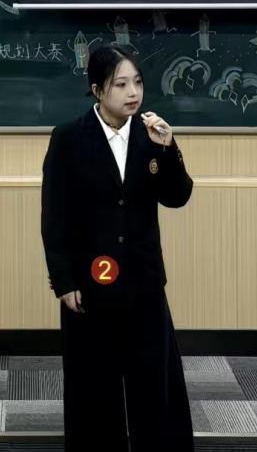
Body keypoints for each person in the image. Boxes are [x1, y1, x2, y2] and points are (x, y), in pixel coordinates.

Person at [40, 43, 195, 451]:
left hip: (143, 280)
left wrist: (169, 149)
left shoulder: (150, 134)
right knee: (93, 387)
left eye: (137, 83)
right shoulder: (69, 139)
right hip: (91, 284)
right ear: (97, 90)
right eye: (121, 84)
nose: (133, 93)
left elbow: (177, 196)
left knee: (154, 384)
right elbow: (54, 215)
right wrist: (64, 280)